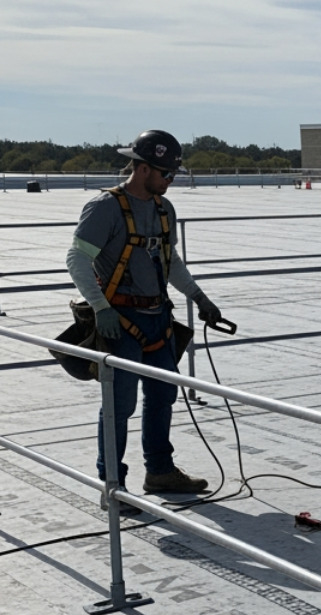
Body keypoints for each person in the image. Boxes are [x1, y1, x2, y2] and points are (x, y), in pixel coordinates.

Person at [65, 129, 221, 502]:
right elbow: (77, 258)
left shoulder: (164, 209)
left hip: (158, 319)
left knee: (163, 395)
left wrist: (199, 297)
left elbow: (170, 262)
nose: (171, 181)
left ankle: (161, 472)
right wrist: (101, 308)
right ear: (143, 169)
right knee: (120, 405)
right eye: (166, 174)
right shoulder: (105, 207)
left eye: (174, 175)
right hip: (119, 321)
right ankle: (112, 485)